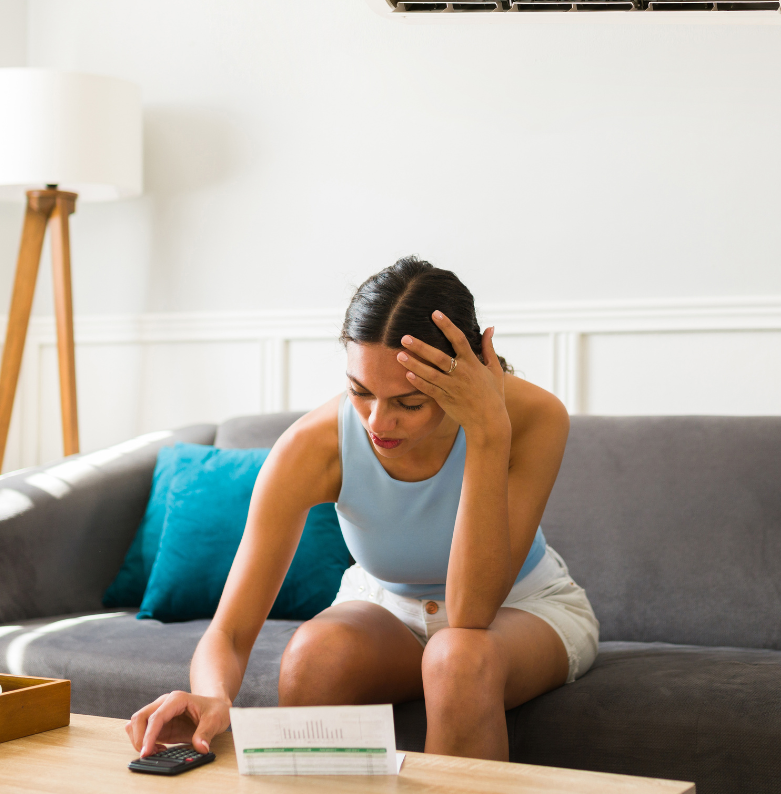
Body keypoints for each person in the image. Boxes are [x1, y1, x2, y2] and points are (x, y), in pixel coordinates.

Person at [126, 257, 598, 761]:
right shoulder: (313, 446)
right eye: (360, 392)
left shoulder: (533, 417)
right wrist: (211, 695)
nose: (379, 421)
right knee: (313, 655)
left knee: (457, 656)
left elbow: (469, 614)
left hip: (521, 611)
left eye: (408, 403)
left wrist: (486, 431)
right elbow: (230, 629)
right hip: (385, 609)